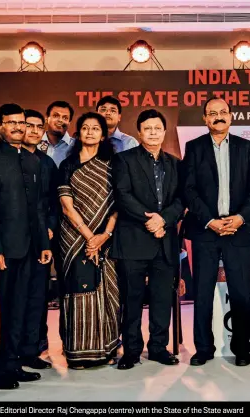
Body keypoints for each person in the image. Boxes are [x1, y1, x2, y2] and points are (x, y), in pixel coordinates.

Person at [0, 104, 52, 389]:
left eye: (22, 122)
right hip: (2, 251)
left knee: (20, 308)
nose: (19, 127)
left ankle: (12, 364)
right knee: (1, 310)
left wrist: (43, 244)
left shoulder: (34, 161)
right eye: (11, 122)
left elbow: (39, 209)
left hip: (31, 249)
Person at [112, 109, 183, 370]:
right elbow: (123, 195)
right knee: (131, 299)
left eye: (158, 128)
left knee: (162, 297)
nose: (153, 133)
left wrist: (164, 220)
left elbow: (181, 199)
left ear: (164, 132)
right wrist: (150, 220)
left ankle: (158, 347)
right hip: (133, 240)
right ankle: (131, 350)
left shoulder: (176, 163)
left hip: (165, 241)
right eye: (148, 128)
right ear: (139, 132)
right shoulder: (124, 160)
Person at [182, 97, 250, 367]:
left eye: (223, 112)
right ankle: (203, 348)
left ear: (231, 117)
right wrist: (209, 220)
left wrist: (241, 218)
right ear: (205, 119)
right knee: (202, 291)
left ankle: (243, 348)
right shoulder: (194, 148)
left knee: (243, 292)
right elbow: (188, 190)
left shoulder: (247, 148)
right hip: (205, 230)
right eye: (213, 113)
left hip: (239, 230)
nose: (218, 116)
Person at [57, 112, 120, 369]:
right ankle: (77, 352)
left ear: (103, 135)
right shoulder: (67, 165)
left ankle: (106, 349)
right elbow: (66, 206)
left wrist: (103, 236)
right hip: (73, 239)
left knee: (107, 291)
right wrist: (89, 237)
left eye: (96, 128)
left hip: (107, 236)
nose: (90, 132)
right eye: (85, 128)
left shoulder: (114, 165)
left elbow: (119, 204)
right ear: (78, 133)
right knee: (78, 291)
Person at [21, 109, 59, 369]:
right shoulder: (9, 159)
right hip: (16, 241)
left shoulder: (47, 163)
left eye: (38, 127)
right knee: (15, 299)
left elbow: (55, 202)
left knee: (37, 298)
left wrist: (51, 227)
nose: (33, 131)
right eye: (28, 125)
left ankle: (33, 350)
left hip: (42, 241)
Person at [38, 101, 75, 167]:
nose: (60, 120)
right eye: (55, 116)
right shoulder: (34, 143)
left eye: (65, 118)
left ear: (69, 123)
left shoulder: (77, 146)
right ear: (46, 118)